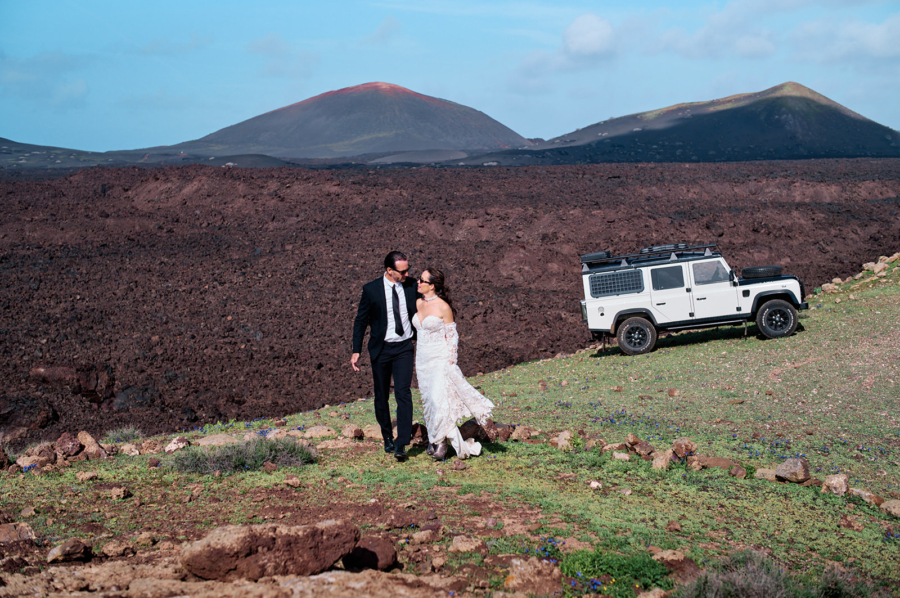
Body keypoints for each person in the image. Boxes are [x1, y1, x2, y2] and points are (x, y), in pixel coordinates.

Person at [413, 267, 494, 460]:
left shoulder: (443, 307)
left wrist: (451, 362)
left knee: (439, 400)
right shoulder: (418, 302)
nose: (418, 282)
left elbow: (452, 337)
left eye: (422, 280)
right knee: (429, 401)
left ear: (432, 286)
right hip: (422, 360)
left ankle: (442, 443)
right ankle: (434, 438)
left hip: (440, 359)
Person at [351, 251, 417, 461]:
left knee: (403, 393)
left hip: (404, 347)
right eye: (403, 271)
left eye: (408, 269)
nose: (407, 273)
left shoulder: (412, 285)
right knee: (381, 395)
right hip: (381, 349)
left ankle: (402, 443)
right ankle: (387, 436)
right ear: (389, 270)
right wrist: (356, 350)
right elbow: (361, 320)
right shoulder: (371, 290)